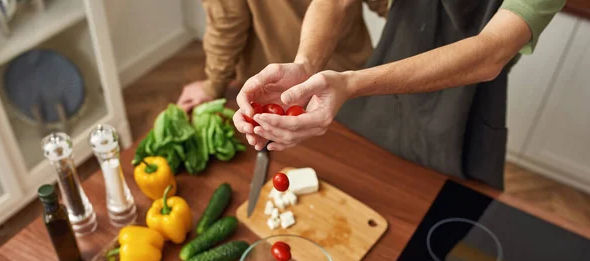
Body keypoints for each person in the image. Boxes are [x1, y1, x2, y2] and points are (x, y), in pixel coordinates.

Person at [233, 0, 565, 190]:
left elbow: (492, 52)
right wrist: (305, 65)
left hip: (467, 104)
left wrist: (351, 84)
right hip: (384, 85)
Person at [176, 0, 387, 112]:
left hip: (278, 88)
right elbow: (390, 5)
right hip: (350, 72)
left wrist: (213, 84)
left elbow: (228, 21)